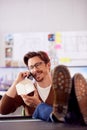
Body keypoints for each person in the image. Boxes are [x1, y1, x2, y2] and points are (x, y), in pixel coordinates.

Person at [0, 51, 87, 126]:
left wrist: (37, 104)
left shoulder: (62, 87)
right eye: (31, 67)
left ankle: (74, 113)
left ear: (48, 65)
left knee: (70, 113)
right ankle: (67, 115)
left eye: (38, 65)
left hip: (60, 128)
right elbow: (2, 109)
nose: (35, 70)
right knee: (69, 117)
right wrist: (16, 82)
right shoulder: (27, 90)